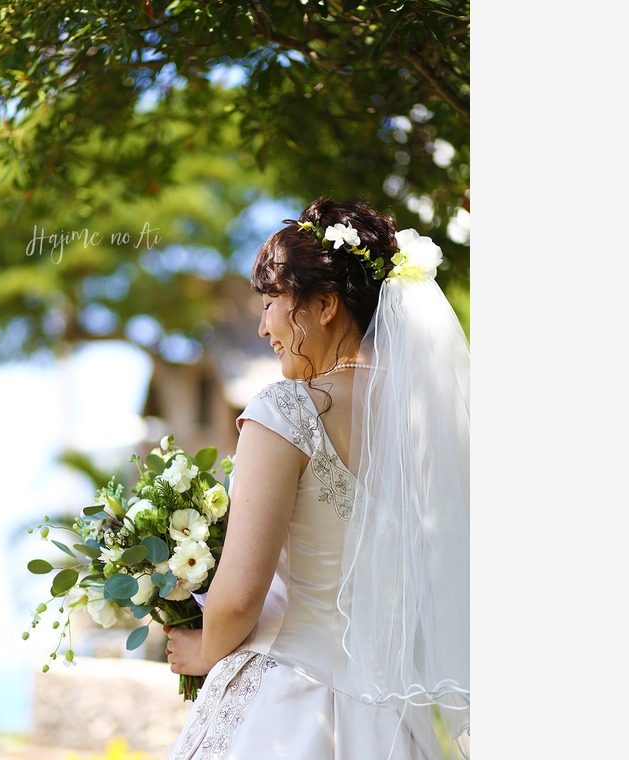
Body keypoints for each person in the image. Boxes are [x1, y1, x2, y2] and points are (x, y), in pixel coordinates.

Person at [163, 197, 471, 760]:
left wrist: (204, 651)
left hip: (290, 707)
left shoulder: (285, 411)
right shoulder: (434, 425)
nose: (262, 327)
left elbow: (237, 599)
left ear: (325, 305)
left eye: (273, 302)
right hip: (395, 721)